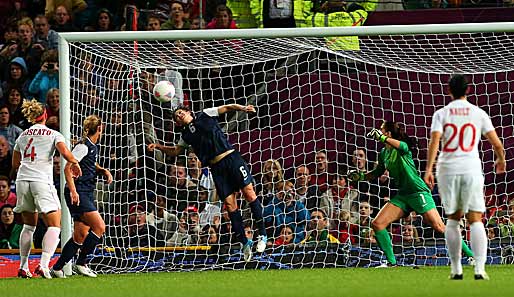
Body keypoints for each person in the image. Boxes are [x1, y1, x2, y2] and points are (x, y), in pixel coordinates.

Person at [148, 103, 267, 261]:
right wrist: (158, 146)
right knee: (230, 205)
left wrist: (243, 108)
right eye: (177, 116)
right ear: (177, 123)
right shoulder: (185, 136)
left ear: (188, 112)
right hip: (216, 168)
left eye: (181, 112)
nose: (179, 115)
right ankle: (245, 243)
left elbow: (226, 107)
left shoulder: (205, 115)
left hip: (231, 158)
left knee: (249, 194)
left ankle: (263, 235)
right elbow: (176, 151)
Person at [348, 120, 474, 267]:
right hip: (403, 195)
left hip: (417, 191)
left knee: (439, 227)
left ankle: (472, 256)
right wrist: (361, 176)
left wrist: (382, 138)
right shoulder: (384, 153)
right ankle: (392, 263)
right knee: (378, 224)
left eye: (381, 130)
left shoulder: (402, 147)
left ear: (388, 133)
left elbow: (403, 146)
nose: (379, 132)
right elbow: (377, 172)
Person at [424, 74, 506, 280]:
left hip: (448, 168)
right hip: (470, 168)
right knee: (475, 219)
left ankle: (456, 269)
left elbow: (434, 142)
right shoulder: (478, 113)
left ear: (449, 90)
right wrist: (500, 160)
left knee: (452, 218)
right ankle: (479, 269)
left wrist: (428, 169)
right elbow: (496, 143)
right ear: (468, 90)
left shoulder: (441, 114)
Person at [12, 99, 82, 279]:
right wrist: (74, 162)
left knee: (28, 226)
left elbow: (14, 164)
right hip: (41, 180)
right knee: (54, 225)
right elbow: (65, 153)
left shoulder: (22, 135)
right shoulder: (53, 134)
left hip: (22, 179)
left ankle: (23, 266)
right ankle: (43, 265)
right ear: (45, 115)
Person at [51, 115, 113, 278]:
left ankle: (57, 268)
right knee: (99, 227)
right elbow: (67, 168)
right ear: (100, 128)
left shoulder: (92, 146)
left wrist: (102, 170)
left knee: (80, 235)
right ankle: (82, 263)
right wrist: (73, 190)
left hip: (85, 191)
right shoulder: (83, 146)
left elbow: (88, 163)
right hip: (79, 192)